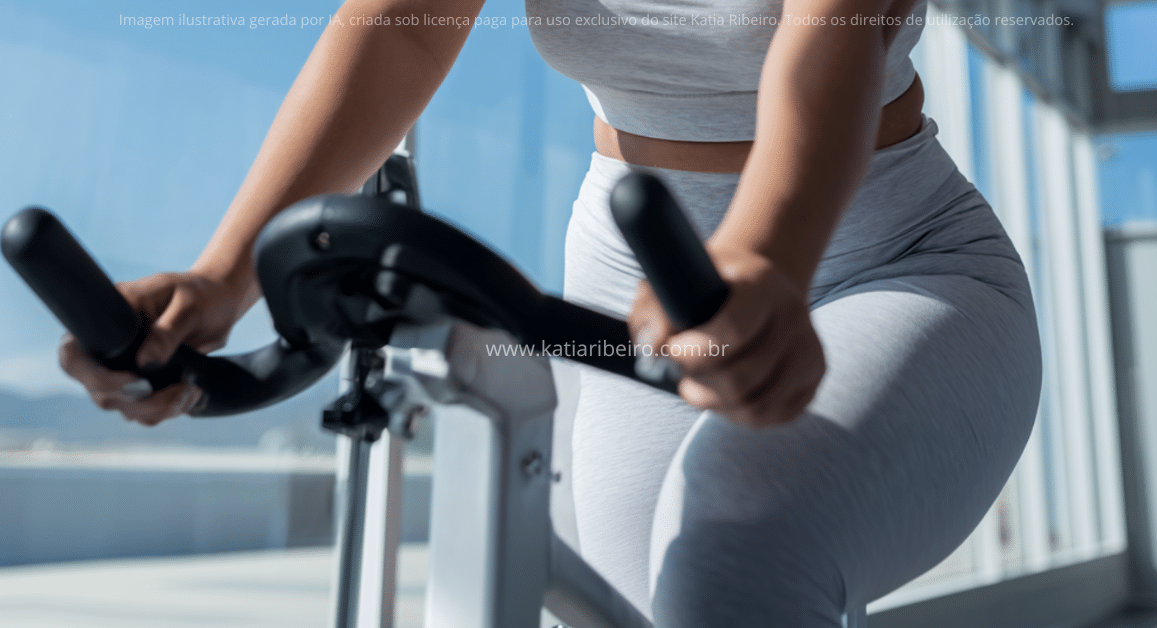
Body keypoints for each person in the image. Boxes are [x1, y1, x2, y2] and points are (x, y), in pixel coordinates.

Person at [60, 0, 1042, 625]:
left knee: (731, 565)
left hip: (894, 257)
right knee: (625, 606)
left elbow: (830, 39)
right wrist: (224, 276)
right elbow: (404, 20)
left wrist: (761, 260)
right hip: (631, 265)